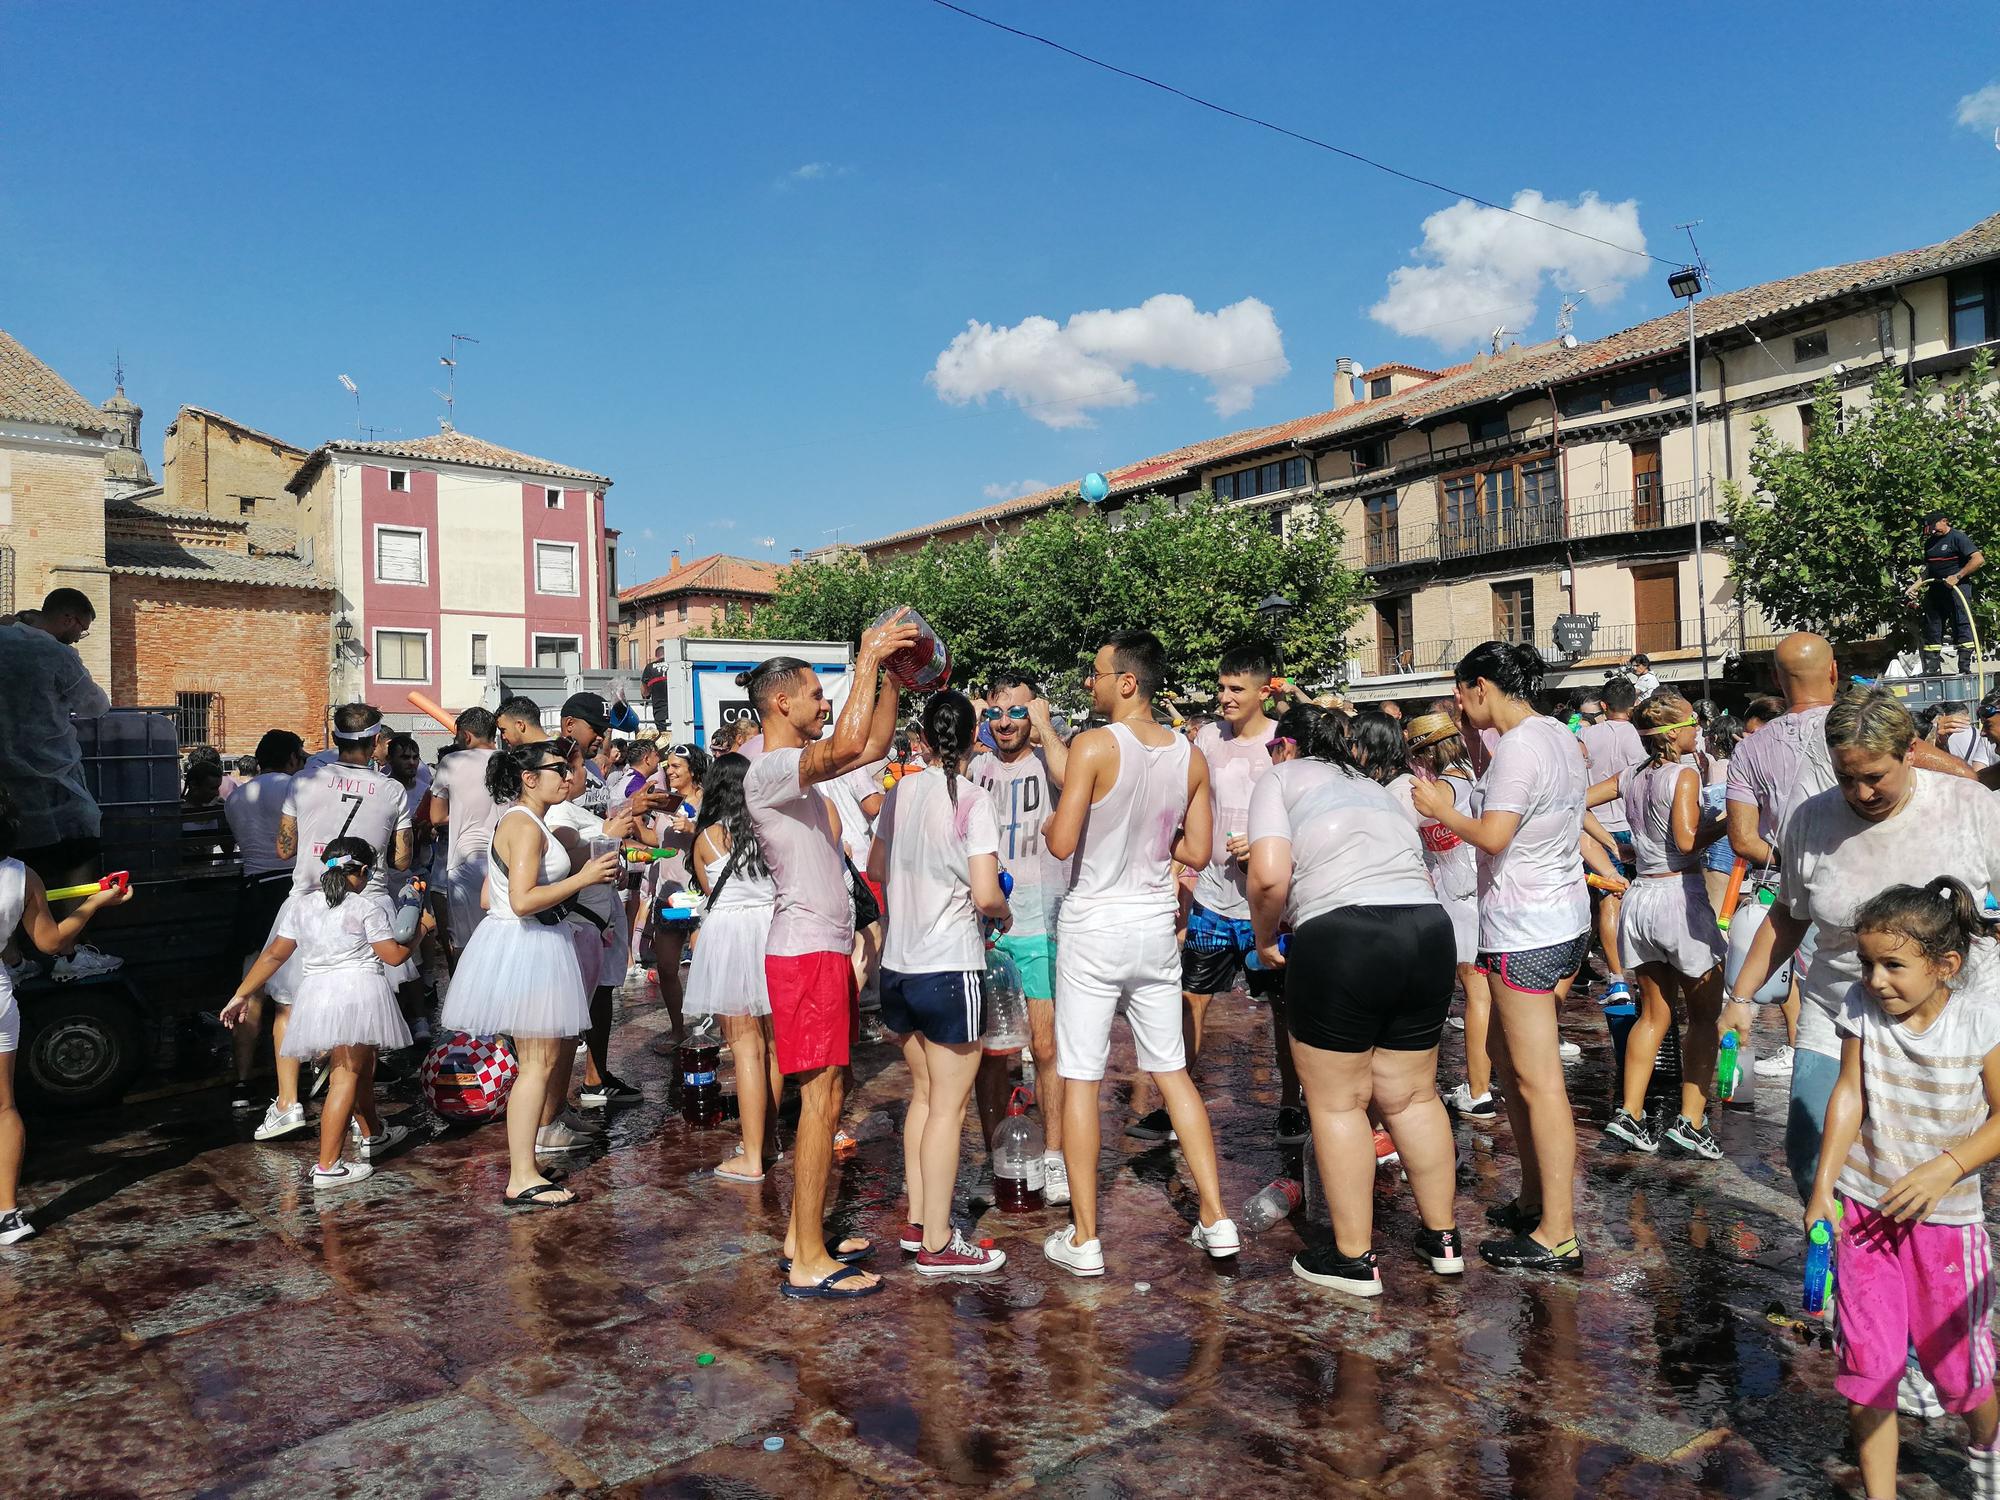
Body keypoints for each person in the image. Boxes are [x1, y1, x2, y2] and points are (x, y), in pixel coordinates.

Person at [1725, 637, 1988, 1177]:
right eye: (1846, 778)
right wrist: (1741, 996)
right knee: (1811, 1151)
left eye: (1875, 777)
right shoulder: (1812, 820)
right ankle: (1847, 1258)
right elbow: (1788, 916)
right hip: (1838, 1003)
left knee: (1921, 1162)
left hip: (1951, 1011)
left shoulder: (1970, 808)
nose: (1861, 793)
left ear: (1910, 753)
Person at [1042, 630, 1239, 1277]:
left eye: (1098, 674)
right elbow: (1198, 852)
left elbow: (1063, 842)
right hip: (1156, 928)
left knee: (1081, 1077)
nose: (1090, 684)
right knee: (1173, 1072)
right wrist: (1154, 835)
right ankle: (1215, 1217)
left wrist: (1055, 820)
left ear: (1128, 681)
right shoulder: (1189, 756)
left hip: (1096, 928)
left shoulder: (1093, 746)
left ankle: (1087, 1236)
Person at [1246, 703, 1460, 1296]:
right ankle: (1442, 1238)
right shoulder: (1371, 785)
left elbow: (1267, 877)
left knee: (1339, 1103)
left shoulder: (1280, 777)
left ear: (1286, 744)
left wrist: (1265, 939)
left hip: (1344, 933)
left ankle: (1352, 1256)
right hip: (1426, 927)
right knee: (1414, 1095)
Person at [1805, 878, 2000, 1499]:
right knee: (1869, 1365)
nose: (1876, 979)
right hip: (1865, 1214)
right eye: (1866, 963)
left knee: (1959, 1371)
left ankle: (1989, 1450)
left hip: (1947, 1227)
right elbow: (1848, 1095)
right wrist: (1823, 1187)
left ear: (1946, 966)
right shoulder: (1860, 1008)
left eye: (1893, 965)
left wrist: (1947, 1166)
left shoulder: (1979, 1021)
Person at [743, 612, 917, 1300]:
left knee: (831, 1096)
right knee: (817, 1105)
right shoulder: (771, 768)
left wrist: (897, 679)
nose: (824, 702)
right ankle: (809, 1258)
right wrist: (868, 655)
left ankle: (800, 1233)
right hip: (805, 952)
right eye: (815, 693)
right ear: (781, 703)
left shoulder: (799, 770)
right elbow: (848, 744)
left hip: (823, 949)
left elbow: (870, 740)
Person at [1410, 641, 1588, 1273]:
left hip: (1526, 925)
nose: (1457, 705)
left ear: (1482, 685)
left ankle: (1558, 1232)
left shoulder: (1518, 749)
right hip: (1560, 914)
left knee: (1538, 1082)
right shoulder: (1555, 735)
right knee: (1515, 1072)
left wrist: (1441, 809)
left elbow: (1493, 835)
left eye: (1461, 693)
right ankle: (1539, 1201)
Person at [870, 690, 1012, 1276]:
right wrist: (1002, 911)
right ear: (973, 736)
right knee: (949, 1110)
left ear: (923, 738)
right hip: (949, 968)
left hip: (898, 970)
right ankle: (937, 1240)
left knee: (924, 1098)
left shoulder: (899, 793)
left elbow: (876, 869)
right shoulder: (973, 800)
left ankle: (919, 1221)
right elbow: (985, 893)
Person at [440, 742, 619, 1207]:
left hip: (530, 944)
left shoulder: (526, 821)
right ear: (528, 777)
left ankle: (527, 1165)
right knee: (536, 1066)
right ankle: (521, 1175)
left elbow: (490, 897)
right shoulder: (523, 824)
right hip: (531, 947)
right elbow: (520, 900)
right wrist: (583, 878)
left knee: (536, 1064)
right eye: (557, 769)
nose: (567, 776)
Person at [1130, 645, 1285, 1145]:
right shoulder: (1206, 741)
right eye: (1221, 687)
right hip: (1215, 900)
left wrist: (1262, 848)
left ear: (1265, 690)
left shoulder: (1282, 743)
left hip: (1266, 904)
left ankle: (1291, 1104)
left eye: (1236, 689)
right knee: (1191, 998)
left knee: (1284, 1008)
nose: (1225, 698)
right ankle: (1174, 1105)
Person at [223, 836, 427, 1189]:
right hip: (358, 994)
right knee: (345, 1077)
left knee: (359, 1069)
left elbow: (272, 956)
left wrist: (241, 994)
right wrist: (423, 930)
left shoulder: (301, 907)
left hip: (317, 996)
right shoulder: (365, 908)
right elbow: (394, 956)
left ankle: (373, 1133)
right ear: (362, 872)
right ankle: (328, 1166)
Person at [260, 704, 412, 1143]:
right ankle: (367, 1130)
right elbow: (401, 859)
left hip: (308, 900)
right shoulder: (392, 791)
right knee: (359, 1027)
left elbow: (285, 849)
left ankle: (288, 1104)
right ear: (376, 741)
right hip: (366, 905)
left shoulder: (303, 780)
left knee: (287, 1006)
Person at [1589, 694, 1730, 1160]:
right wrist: (1730, 823)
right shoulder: (1684, 774)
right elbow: (1687, 840)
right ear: (1674, 733)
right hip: (1678, 897)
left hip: (1640, 897)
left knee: (1654, 1014)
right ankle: (1689, 1120)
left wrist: (1615, 845)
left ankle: (1630, 1112)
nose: (1698, 731)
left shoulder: (1631, 776)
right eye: (1693, 723)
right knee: (1706, 1014)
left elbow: (1576, 801)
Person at [0, 784, 132, 1243]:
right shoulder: (21, 876)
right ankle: (8, 1216)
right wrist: (95, 902)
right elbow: (53, 944)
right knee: (3, 1107)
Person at [968, 671, 1073, 1202]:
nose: (1004, 722)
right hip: (987, 931)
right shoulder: (976, 767)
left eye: (1016, 712)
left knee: (1047, 1046)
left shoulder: (1052, 760)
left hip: (1041, 923)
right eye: (995, 712)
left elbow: (1071, 776)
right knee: (992, 1054)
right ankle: (995, 1156)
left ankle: (1054, 1158)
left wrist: (1046, 727)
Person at [685, 753, 782, 1181]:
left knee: (744, 1047)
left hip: (729, 939)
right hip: (773, 933)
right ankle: (770, 1138)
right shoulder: (770, 828)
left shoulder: (706, 836)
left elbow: (710, 893)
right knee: (774, 1047)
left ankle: (752, 1156)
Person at [1395, 712, 1492, 1119]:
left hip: (1456, 898)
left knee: (1474, 994)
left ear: (1425, 754)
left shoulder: (1441, 790)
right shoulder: (1475, 778)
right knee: (1482, 992)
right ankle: (1483, 1081)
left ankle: (1479, 1088)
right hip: (1479, 892)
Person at [544, 751, 646, 1120]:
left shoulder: (576, 811)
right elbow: (561, 861)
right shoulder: (556, 814)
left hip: (598, 921)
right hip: (579, 922)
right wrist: (606, 835)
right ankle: (554, 1110)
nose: (579, 776)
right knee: (569, 1020)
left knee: (599, 1000)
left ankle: (595, 1079)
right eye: (573, 769)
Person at [0, 596, 109, 896]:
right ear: (68, 619)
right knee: (78, 856)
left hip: (6, 792)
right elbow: (96, 705)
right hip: (54, 783)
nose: (79, 638)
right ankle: (70, 940)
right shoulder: (57, 653)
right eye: (82, 630)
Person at [223, 730, 307, 1112]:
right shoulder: (296, 787)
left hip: (251, 889)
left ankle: (241, 1080)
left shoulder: (237, 795)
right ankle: (302, 1073)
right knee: (299, 988)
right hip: (286, 889)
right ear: (291, 758)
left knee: (251, 986)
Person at [1577, 676, 1645, 1007]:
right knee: (1631, 900)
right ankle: (1638, 976)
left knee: (1604, 902)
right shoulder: (1639, 735)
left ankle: (1615, 977)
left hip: (1594, 827)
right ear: (1632, 705)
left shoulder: (1586, 734)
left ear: (1604, 706)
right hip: (1631, 827)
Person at [427, 707, 499, 959]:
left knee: (464, 942)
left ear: (466, 736)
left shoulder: (451, 762)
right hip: (504, 860)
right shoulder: (511, 760)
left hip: (464, 861)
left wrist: (459, 815)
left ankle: (463, 996)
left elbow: (436, 818)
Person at [1915, 509, 1984, 676]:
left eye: (1934, 526)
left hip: (1957, 589)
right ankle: (1932, 670)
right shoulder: (1930, 543)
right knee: (1932, 627)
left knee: (1962, 625)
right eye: (1929, 528)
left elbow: (1978, 559)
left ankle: (1964, 668)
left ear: (1944, 521)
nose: (1932, 530)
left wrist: (1957, 576)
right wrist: (1915, 586)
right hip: (1936, 590)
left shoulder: (1958, 538)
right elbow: (1928, 570)